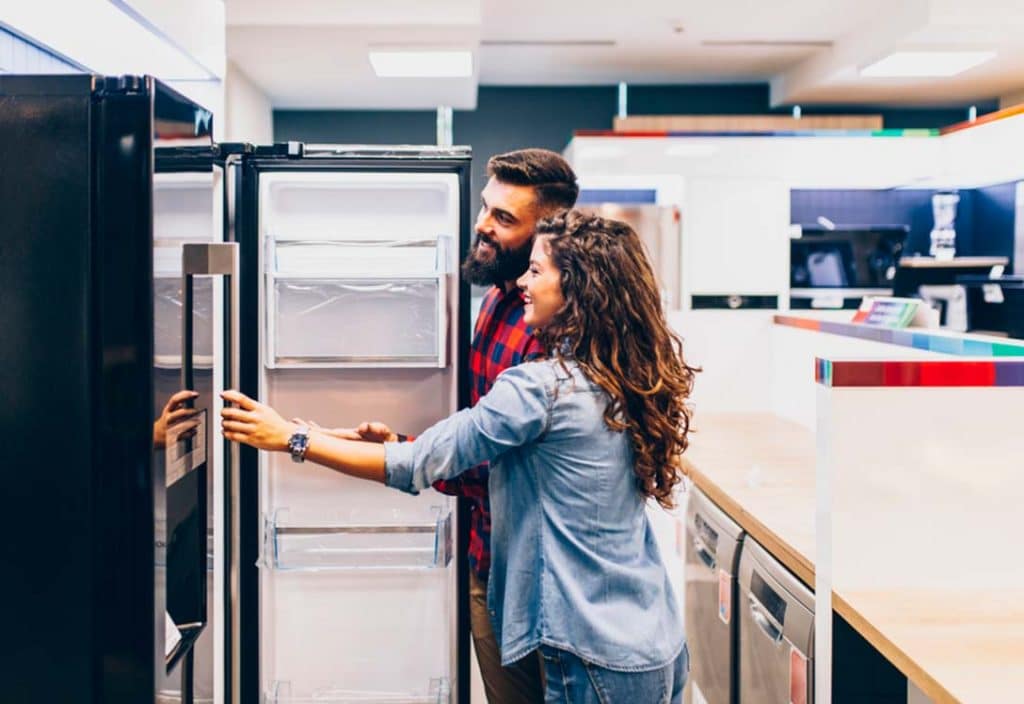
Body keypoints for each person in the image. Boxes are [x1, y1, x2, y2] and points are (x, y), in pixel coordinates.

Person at [222, 210, 697, 703]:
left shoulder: (542, 388)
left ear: (577, 288)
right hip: (653, 640)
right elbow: (477, 459)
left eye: (536, 271)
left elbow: (417, 465)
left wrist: (291, 440)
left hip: (587, 650)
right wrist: (369, 442)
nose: (522, 282)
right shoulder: (626, 376)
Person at [301, 148, 578, 704]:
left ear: (549, 235)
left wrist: (304, 441)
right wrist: (409, 443)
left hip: (539, 575)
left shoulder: (552, 335)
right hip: (485, 553)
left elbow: (491, 462)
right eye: (484, 208)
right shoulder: (499, 298)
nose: (482, 226)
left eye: (504, 219)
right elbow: (476, 428)